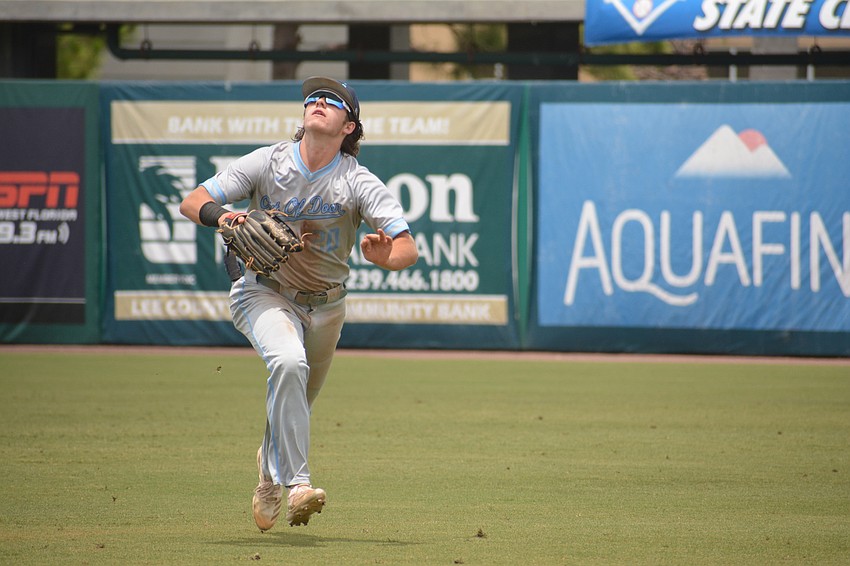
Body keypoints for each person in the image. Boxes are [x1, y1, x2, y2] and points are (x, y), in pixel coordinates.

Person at [179, 76, 418, 531]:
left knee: (297, 399)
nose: (319, 103)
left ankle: (267, 473)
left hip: (327, 306)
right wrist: (227, 215)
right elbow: (194, 202)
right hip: (263, 290)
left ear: (349, 127)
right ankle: (298, 486)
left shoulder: (357, 180)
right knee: (288, 363)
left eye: (333, 101)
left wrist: (388, 257)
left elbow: (408, 247)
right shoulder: (267, 162)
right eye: (313, 97)